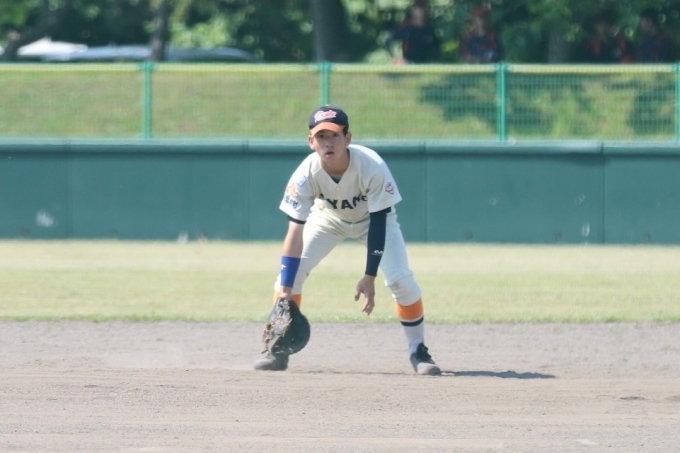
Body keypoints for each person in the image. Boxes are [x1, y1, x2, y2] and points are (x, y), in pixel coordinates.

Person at [252, 105, 441, 376]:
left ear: (348, 138)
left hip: (373, 221)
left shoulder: (371, 166)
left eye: (335, 135)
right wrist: (285, 291)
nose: (328, 143)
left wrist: (369, 276)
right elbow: (294, 232)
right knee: (288, 279)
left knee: (400, 279)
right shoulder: (305, 174)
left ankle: (418, 350)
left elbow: (378, 223)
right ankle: (277, 347)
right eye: (321, 136)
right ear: (311, 141)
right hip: (328, 218)